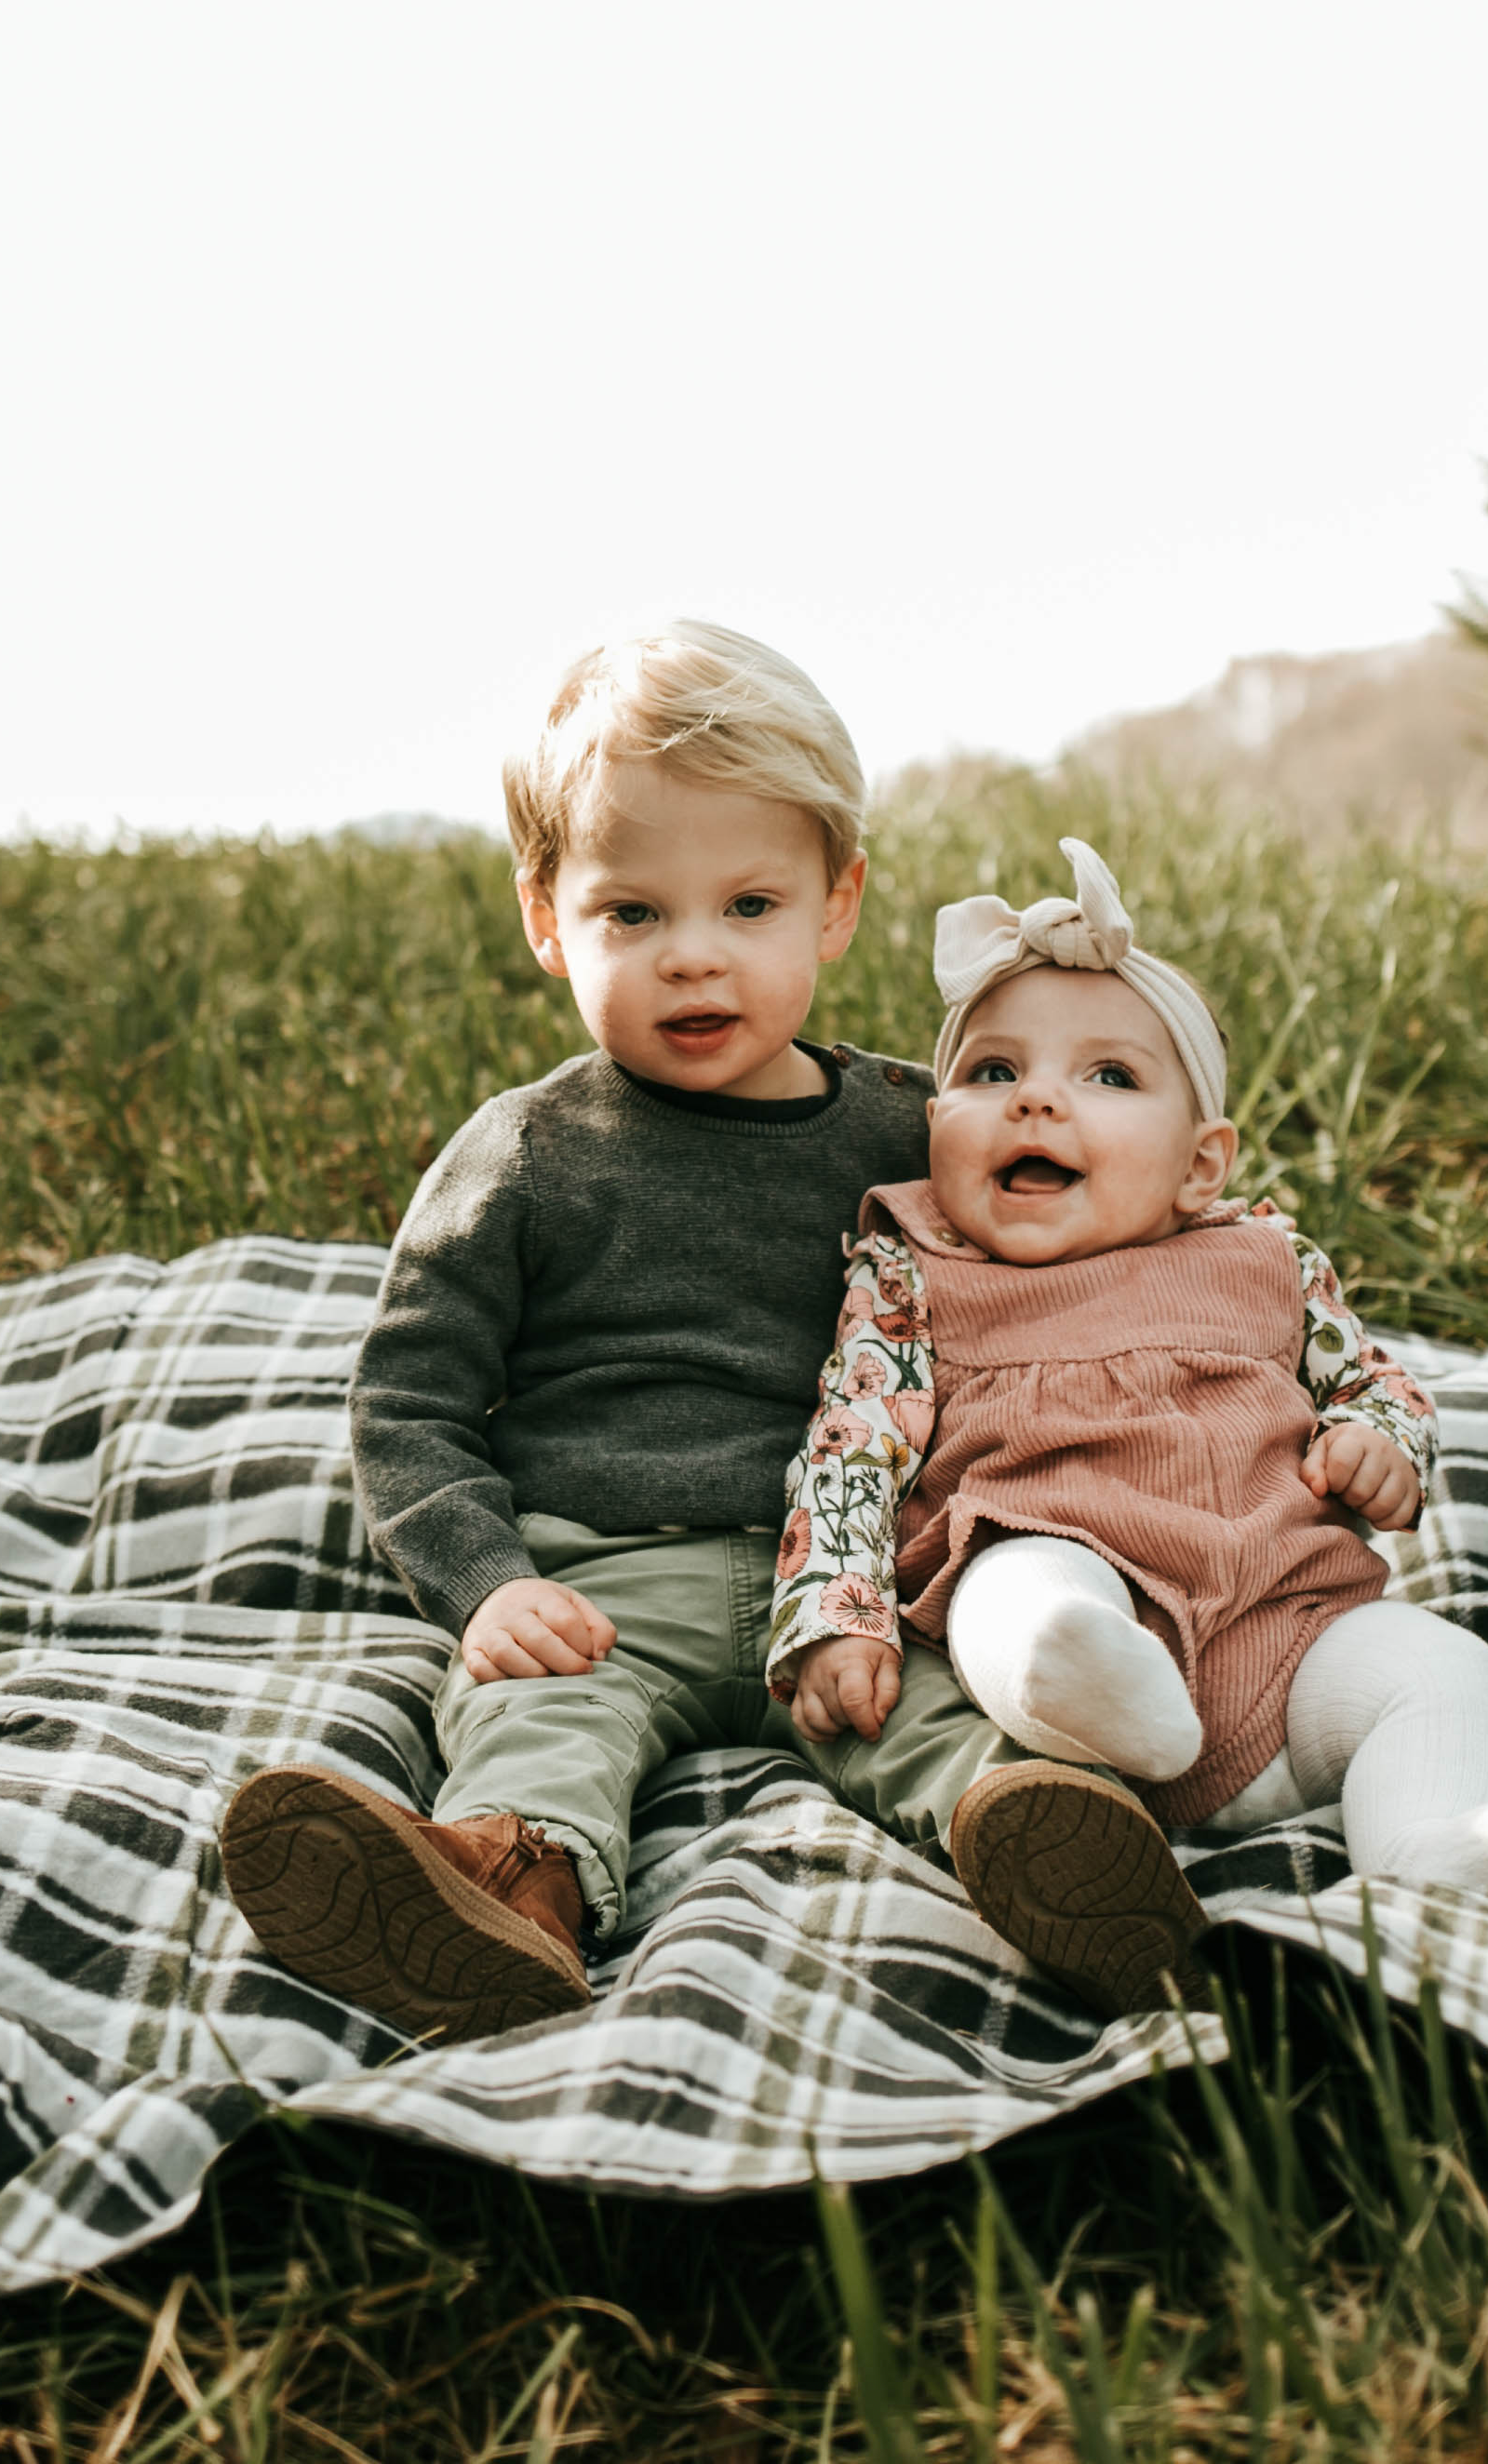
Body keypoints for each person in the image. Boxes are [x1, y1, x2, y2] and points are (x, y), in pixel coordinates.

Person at [219, 628, 1190, 2038]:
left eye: (748, 905)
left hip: (870, 1577)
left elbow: (1069, 1240)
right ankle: (510, 1895)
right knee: (537, 1719)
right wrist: (485, 1584)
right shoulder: (528, 1155)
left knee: (982, 1712)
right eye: (633, 915)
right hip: (608, 1577)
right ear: (547, 916)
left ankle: (1063, 1858)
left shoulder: (913, 1127)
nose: (695, 960)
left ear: (836, 905)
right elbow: (409, 1403)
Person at [769, 837, 1488, 2012]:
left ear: (1201, 1166)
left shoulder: (1263, 1259)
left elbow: (1376, 1383)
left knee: (1443, 1668)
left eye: (1109, 1078)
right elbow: (851, 1446)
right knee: (1024, 1591)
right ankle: (1089, 1686)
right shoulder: (912, 1268)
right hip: (1064, 1574)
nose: (1040, 1098)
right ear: (936, 1124)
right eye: (995, 1071)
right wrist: (836, 1614)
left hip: (1288, 1634)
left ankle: (1442, 1858)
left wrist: (1382, 1448)